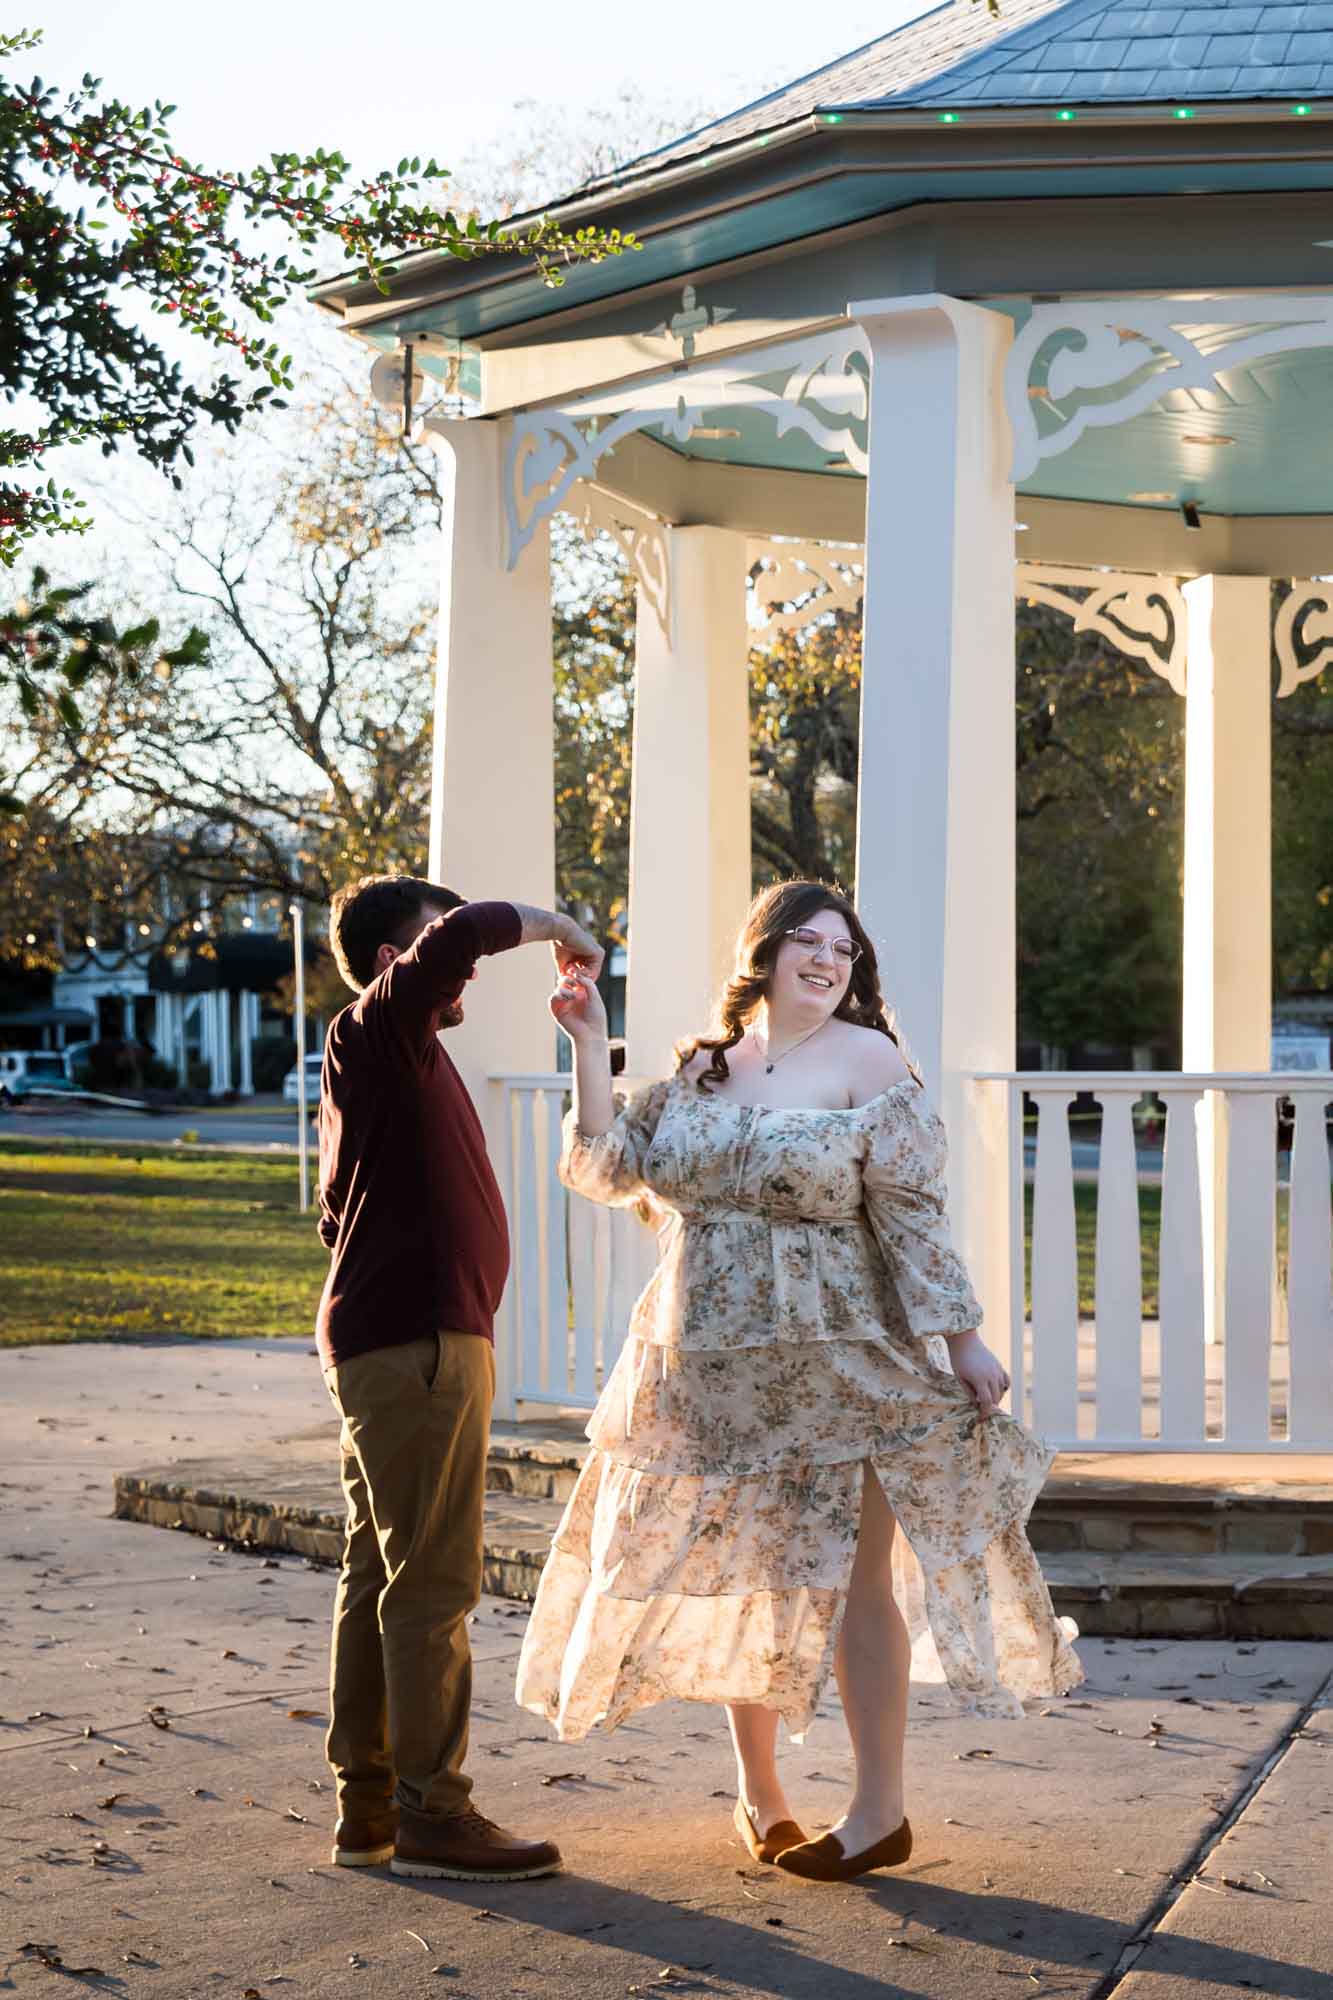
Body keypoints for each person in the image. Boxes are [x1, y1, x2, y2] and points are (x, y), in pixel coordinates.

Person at [516, 880, 1081, 1883]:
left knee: (860, 1578)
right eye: (807, 941)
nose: (828, 959)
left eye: (845, 949)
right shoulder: (700, 1067)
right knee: (748, 1570)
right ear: (763, 951)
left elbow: (912, 1213)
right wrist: (586, 1043)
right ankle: (761, 1797)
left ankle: (878, 1809)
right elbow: (605, 1167)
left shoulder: (870, 1060)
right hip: (707, 1360)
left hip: (843, 1354)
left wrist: (962, 1339)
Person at [316, 873, 601, 1883]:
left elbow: (332, 1209)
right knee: (432, 1581)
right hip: (419, 1346)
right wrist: (561, 927)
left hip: (399, 1341)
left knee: (381, 1576)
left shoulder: (392, 1059)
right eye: (441, 945)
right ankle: (435, 1809)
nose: (468, 962)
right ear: (398, 958)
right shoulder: (377, 1027)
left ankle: (372, 1809)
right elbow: (467, 932)